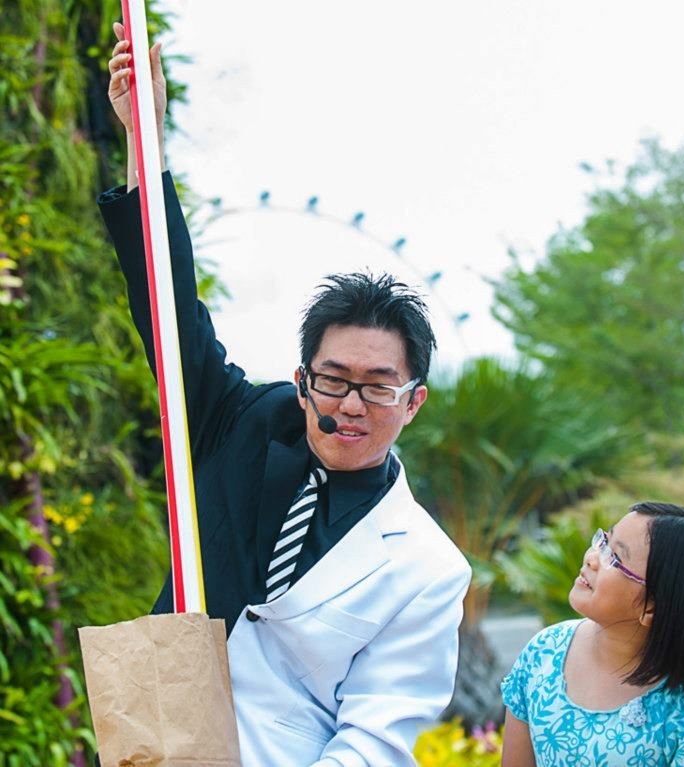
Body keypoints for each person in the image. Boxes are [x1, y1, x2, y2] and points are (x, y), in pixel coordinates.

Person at [102, 24, 471, 766]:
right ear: (302, 380)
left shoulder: (429, 570)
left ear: (415, 401)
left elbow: (374, 738)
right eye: (333, 379)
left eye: (378, 386)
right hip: (150, 731)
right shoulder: (237, 420)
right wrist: (146, 138)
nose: (352, 404)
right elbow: (167, 305)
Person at [500, 502, 684, 767]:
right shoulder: (544, 651)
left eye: (614, 557)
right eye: (604, 540)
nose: (592, 557)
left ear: (652, 607)